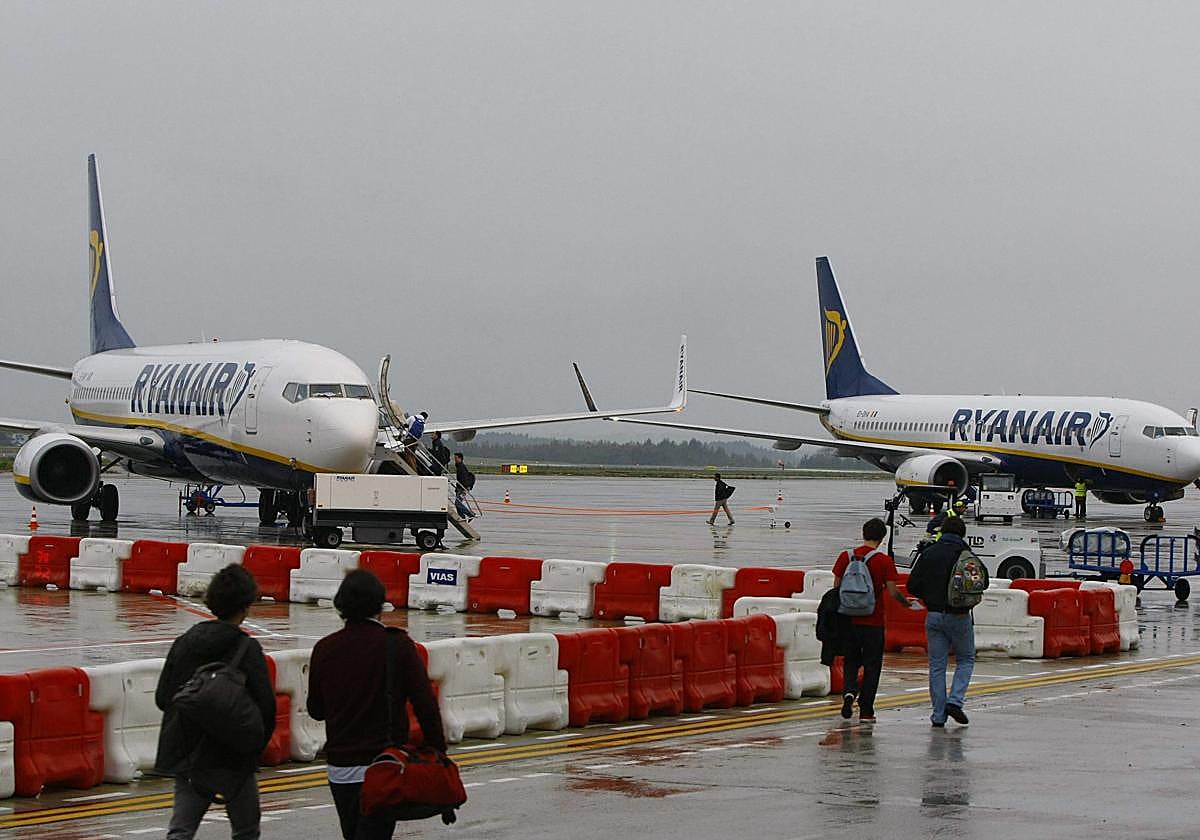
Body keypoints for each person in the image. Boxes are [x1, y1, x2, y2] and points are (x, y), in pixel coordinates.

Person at [308, 570, 446, 840]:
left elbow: (316, 710)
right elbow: (426, 705)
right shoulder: (398, 645)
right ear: (380, 605)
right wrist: (438, 752)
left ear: (340, 605)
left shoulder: (324, 649)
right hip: (385, 765)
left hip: (341, 769)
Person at [155, 565, 275, 840]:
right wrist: (251, 746)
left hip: (189, 753)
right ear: (246, 606)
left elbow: (164, 698)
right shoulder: (248, 649)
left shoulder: (184, 643)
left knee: (181, 830)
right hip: (234, 756)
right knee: (245, 830)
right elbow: (266, 708)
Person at [831, 517, 911, 722]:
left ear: (863, 533)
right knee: (872, 665)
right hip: (873, 621)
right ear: (882, 539)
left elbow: (837, 586)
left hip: (848, 620)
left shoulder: (845, 556)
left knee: (850, 661)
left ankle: (849, 692)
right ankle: (866, 710)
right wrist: (906, 603)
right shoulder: (883, 561)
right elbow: (893, 591)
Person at [907, 516, 977, 728]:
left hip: (934, 615)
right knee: (966, 658)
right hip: (960, 615)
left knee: (937, 666)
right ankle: (955, 700)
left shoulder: (929, 553)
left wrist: (929, 597)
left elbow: (912, 585)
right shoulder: (966, 554)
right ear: (962, 534)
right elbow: (982, 581)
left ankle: (938, 716)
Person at [453, 452, 475, 520]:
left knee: (457, 503)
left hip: (462, 489)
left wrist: (465, 489)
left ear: (460, 458)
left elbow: (464, 479)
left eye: (456, 458)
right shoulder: (459, 466)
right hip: (459, 488)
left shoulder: (461, 467)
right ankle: (462, 517)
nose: (455, 460)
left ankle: (470, 514)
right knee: (457, 504)